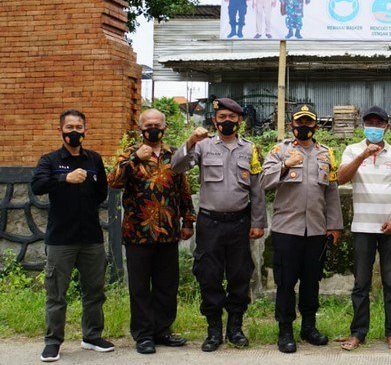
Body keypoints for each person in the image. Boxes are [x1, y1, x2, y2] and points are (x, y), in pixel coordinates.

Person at [171, 98, 267, 352]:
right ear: (214, 120)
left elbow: (257, 190)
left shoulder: (250, 149)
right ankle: (214, 330)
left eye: (232, 117)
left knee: (239, 275)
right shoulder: (203, 146)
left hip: (239, 222)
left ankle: (235, 328)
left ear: (240, 121)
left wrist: (258, 222)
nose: (227, 121)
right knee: (209, 276)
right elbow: (176, 167)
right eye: (222, 117)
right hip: (210, 223)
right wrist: (190, 141)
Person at [107, 108, 195, 354]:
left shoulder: (173, 155)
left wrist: (188, 221)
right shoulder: (129, 154)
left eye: (157, 124)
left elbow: (183, 190)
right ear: (140, 128)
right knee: (140, 287)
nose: (153, 128)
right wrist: (135, 158)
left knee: (167, 285)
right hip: (137, 232)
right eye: (148, 125)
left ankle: (163, 330)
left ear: (164, 127)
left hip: (168, 231)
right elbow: (113, 181)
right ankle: (143, 334)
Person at [32, 109, 114, 362]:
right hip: (61, 239)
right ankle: (53, 342)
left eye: (79, 127)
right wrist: (64, 178)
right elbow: (37, 186)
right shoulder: (50, 160)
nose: (75, 132)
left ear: (85, 130)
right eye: (69, 128)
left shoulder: (94, 159)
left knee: (94, 291)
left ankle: (91, 336)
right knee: (56, 294)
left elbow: (102, 191)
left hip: (91, 237)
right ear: (61, 131)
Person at [260, 105, 343, 353]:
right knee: (285, 282)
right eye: (300, 122)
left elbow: (332, 191)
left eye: (309, 122)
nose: (304, 126)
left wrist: (335, 225)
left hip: (316, 230)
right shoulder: (279, 151)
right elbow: (263, 182)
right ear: (292, 125)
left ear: (316, 126)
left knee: (311, 281)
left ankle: (309, 327)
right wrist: (285, 165)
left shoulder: (327, 154)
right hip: (287, 230)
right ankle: (285, 330)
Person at [337, 106, 391, 351]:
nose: (374, 128)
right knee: (361, 283)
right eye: (370, 123)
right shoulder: (352, 150)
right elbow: (340, 178)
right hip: (362, 227)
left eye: (379, 124)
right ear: (363, 126)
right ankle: (358, 333)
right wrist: (362, 156)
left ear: (387, 127)